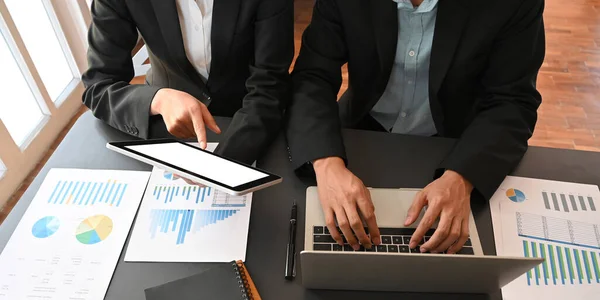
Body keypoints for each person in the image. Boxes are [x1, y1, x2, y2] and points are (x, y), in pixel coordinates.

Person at [286, 0, 545, 253]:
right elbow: (313, 76)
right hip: (360, 134)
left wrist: (463, 177)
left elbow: (513, 102)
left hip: (458, 145)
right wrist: (326, 162)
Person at [82, 0, 294, 164]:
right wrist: (156, 100)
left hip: (249, 120)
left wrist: (222, 164)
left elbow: (270, 81)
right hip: (163, 126)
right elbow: (99, 85)